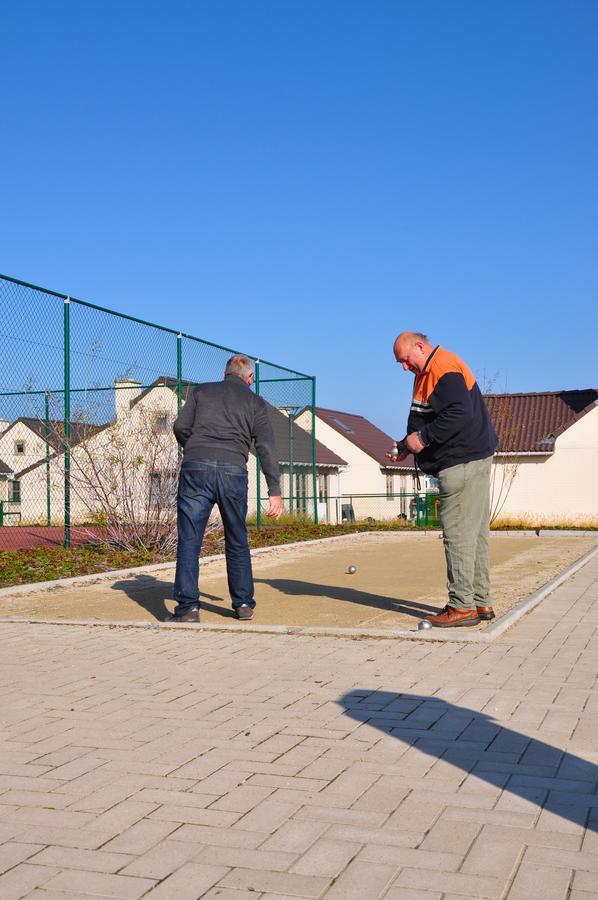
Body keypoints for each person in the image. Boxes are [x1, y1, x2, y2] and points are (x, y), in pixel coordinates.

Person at [392, 332, 497, 627]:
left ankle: (461, 606)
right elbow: (432, 417)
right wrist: (406, 444)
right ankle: (479, 601)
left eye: (405, 359)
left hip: (460, 461)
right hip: (472, 456)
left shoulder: (442, 368)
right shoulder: (433, 369)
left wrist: (423, 438)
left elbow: (458, 413)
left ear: (420, 346)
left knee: (458, 535)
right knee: (475, 534)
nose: (404, 367)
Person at [169, 354, 282, 623]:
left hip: (196, 467)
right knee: (236, 537)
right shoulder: (255, 402)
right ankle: (242, 603)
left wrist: (196, 447)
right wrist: (274, 491)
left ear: (225, 374)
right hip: (233, 470)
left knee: (190, 538)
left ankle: (188, 609)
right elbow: (266, 446)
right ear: (250, 378)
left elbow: (181, 426)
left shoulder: (201, 391)